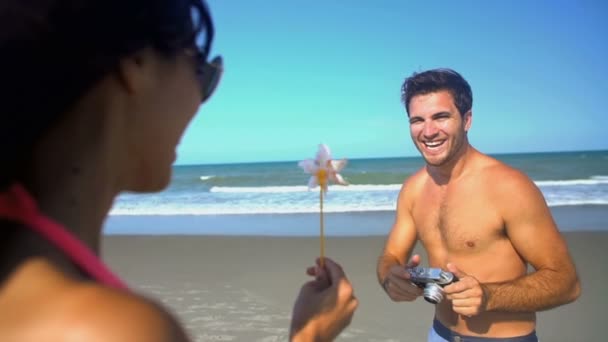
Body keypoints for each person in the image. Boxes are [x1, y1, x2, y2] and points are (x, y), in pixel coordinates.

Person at [0, 1, 357, 341]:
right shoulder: (113, 329)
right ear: (138, 61)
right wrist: (310, 335)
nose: (200, 101)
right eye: (203, 73)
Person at [376, 68, 580, 341]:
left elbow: (566, 283)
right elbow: (390, 257)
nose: (428, 131)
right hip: (439, 334)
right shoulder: (413, 188)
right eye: (417, 120)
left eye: (441, 117)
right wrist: (391, 279)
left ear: (467, 119)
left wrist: (489, 296)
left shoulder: (509, 187)